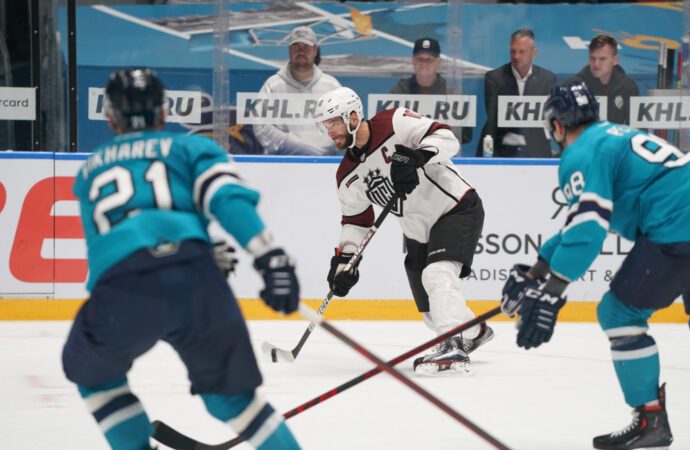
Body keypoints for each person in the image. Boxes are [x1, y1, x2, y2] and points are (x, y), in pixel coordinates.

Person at [501, 81, 690, 450]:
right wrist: (537, 271)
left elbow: (588, 229)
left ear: (556, 125)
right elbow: (579, 224)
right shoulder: (612, 136)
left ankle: (650, 420)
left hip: (682, 221)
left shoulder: (580, 152)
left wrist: (552, 291)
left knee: (618, 314)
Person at [62, 68, 302, 450]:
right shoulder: (189, 149)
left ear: (110, 118)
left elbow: (120, 245)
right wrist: (269, 257)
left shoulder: (90, 171)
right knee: (234, 401)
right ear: (163, 113)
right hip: (195, 278)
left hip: (122, 289)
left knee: (94, 377)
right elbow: (225, 196)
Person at [313, 86, 494, 375]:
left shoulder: (394, 122)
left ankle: (453, 346)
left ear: (353, 116)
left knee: (437, 275)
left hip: (455, 207)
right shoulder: (347, 175)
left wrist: (417, 156)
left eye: (333, 122)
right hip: (417, 232)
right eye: (325, 125)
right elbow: (356, 221)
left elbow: (447, 138)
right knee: (432, 313)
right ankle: (475, 332)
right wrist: (345, 262)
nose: (329, 131)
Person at [254, 25, 341, 155]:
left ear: (315, 50)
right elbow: (261, 126)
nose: (301, 52)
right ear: (289, 50)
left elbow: (343, 125)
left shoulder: (331, 86)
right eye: (296, 47)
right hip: (283, 164)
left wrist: (321, 149)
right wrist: (292, 145)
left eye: (306, 47)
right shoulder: (273, 85)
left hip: (323, 163)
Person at [477, 28, 557, 157]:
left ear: (534, 52)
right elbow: (494, 118)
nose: (516, 56)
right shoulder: (495, 78)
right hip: (502, 148)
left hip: (535, 148)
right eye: (513, 51)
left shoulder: (547, 79)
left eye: (521, 52)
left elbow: (547, 120)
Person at [390, 37, 472, 145]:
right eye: (420, 59)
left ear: (438, 61)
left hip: (442, 149)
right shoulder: (401, 90)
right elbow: (388, 127)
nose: (424, 63)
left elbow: (465, 135)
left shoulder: (450, 91)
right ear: (413, 60)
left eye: (429, 59)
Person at [567, 34, 639, 126]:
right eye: (592, 58)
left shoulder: (627, 86)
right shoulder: (574, 86)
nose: (596, 63)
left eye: (602, 59)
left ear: (615, 60)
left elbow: (637, 127)